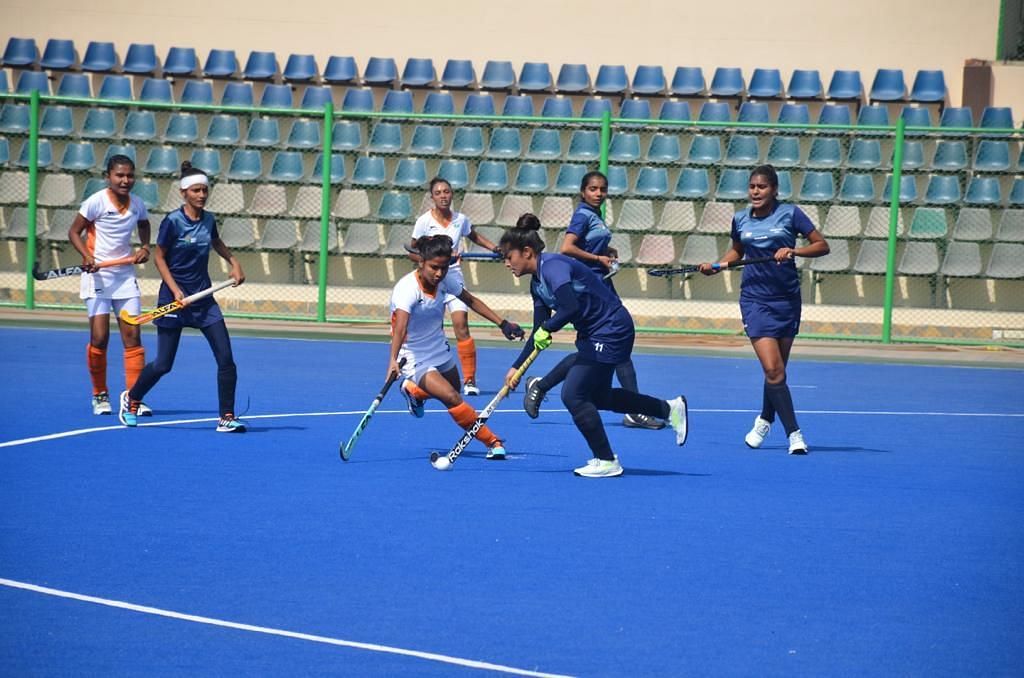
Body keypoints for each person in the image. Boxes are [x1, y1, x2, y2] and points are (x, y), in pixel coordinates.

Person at [498, 220, 688, 478]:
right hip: (593, 332)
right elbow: (538, 330)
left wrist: (549, 327)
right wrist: (517, 368)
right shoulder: (536, 284)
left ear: (528, 252)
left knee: (573, 395)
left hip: (612, 328)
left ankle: (606, 459)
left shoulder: (553, 267)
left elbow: (570, 308)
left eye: (509, 257)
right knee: (599, 398)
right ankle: (669, 409)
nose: (506, 264)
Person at [698, 164, 829, 455]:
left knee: (777, 372)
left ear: (774, 189)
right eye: (752, 187)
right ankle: (794, 433)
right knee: (773, 369)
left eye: (762, 187)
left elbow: (822, 245)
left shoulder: (791, 214)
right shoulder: (740, 219)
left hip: (787, 299)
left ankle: (765, 418)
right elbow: (737, 252)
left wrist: (794, 251)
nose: (756, 192)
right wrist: (717, 266)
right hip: (755, 300)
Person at [521, 172, 664, 430]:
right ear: (583, 192)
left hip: (600, 287)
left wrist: (603, 252)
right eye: (593, 189)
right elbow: (568, 248)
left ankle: (541, 386)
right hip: (589, 290)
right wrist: (598, 259)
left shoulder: (594, 215)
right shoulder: (582, 215)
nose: (598, 194)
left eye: (602, 189)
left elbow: (586, 247)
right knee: (610, 353)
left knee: (607, 353)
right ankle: (635, 410)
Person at [118, 162, 247, 432]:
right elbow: (159, 257)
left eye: (204, 190)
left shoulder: (209, 220)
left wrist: (233, 262)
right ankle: (132, 398)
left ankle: (226, 416)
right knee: (164, 364)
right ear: (184, 193)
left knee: (226, 359)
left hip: (203, 301)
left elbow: (216, 241)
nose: (201, 195)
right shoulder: (173, 222)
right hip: (174, 300)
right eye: (196, 191)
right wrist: (175, 289)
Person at [389, 234, 524, 460]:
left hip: (438, 349)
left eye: (443, 267)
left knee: (453, 389)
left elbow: (470, 301)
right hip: (412, 355)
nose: (439, 273)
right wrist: (392, 361)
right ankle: (492, 441)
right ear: (421, 262)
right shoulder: (406, 289)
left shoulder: (444, 280)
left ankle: (413, 392)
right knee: (452, 397)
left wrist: (503, 323)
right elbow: (400, 328)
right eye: (434, 267)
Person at [68, 154, 153, 417]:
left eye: (130, 175)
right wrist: (86, 256)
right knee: (100, 338)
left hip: (124, 277)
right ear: (109, 176)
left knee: (133, 336)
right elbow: (74, 232)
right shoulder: (96, 201)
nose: (125, 180)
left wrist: (145, 247)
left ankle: (134, 398)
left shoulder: (137, 203)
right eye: (120, 175)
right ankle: (99, 394)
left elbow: (144, 224)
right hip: (98, 277)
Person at [409, 177, 500, 396]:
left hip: (454, 278)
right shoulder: (423, 221)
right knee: (434, 330)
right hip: (432, 281)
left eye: (447, 192)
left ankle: (469, 380)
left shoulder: (461, 219)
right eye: (438, 192)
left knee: (461, 325)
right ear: (432, 197)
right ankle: (429, 379)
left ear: (452, 195)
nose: (443, 196)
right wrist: (434, 259)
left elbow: (474, 235)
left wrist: (493, 247)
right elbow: (412, 250)